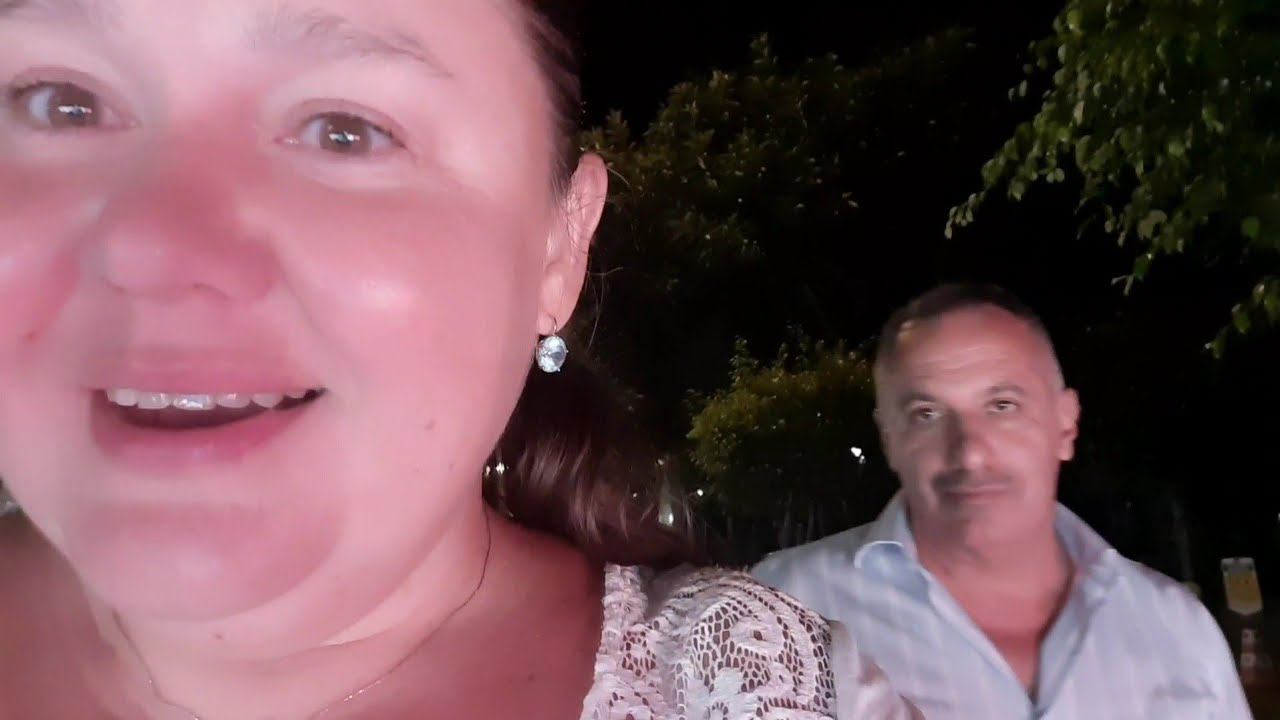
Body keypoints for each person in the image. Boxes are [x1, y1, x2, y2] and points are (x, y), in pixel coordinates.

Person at [0, 1, 921, 718]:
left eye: (344, 129)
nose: (156, 247)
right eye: (62, 104)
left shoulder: (770, 693)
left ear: (560, 250)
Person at [754, 284, 1253, 719]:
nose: (969, 452)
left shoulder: (1178, 630)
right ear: (889, 439)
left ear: (1065, 424)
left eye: (1002, 406)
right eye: (927, 414)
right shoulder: (783, 609)